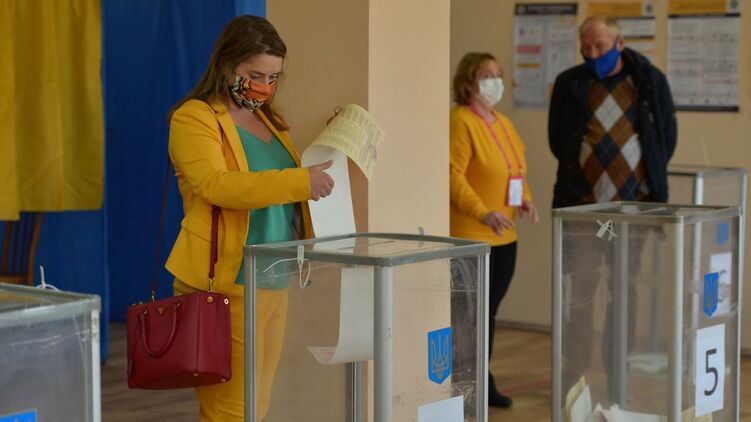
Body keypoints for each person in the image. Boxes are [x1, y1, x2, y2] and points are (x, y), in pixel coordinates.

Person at [165, 16, 334, 421]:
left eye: (273, 77)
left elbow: (281, 182)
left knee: (257, 405)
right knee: (230, 409)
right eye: (255, 75)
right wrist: (301, 181)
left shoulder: (269, 121)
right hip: (225, 282)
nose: (264, 86)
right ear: (226, 65)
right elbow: (217, 185)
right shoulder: (194, 117)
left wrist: (333, 139)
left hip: (273, 279)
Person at [547, 15, 677, 396]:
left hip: (632, 211)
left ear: (620, 44)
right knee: (581, 293)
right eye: (585, 48)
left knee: (624, 294)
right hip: (582, 209)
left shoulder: (649, 81)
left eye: (600, 47)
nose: (592, 54)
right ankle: (574, 380)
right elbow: (558, 140)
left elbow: (665, 138)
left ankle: (617, 377)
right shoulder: (571, 83)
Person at [450, 52, 539, 408]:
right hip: (472, 235)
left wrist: (525, 199)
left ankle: (480, 379)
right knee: (468, 314)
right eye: (487, 75)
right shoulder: (461, 121)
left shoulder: (502, 122)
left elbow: (515, 169)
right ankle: (466, 386)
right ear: (468, 82)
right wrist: (482, 212)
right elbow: (453, 175)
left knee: (488, 311)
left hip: (505, 236)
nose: (495, 81)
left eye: (499, 74)